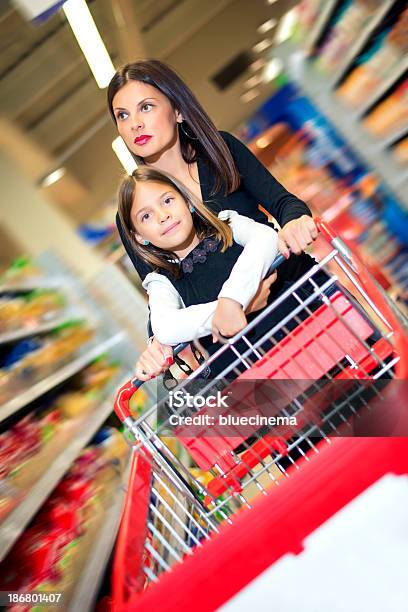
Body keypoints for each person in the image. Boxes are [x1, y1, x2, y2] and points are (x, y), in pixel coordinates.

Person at [107, 59, 318, 380]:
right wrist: (157, 341)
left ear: (177, 110)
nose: (135, 123)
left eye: (146, 107)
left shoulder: (221, 151)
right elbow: (160, 292)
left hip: (295, 301)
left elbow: (284, 203)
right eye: (123, 116)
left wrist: (294, 222)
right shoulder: (133, 215)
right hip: (238, 352)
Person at [118, 166, 282, 373]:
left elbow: (266, 239)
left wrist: (232, 300)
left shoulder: (228, 225)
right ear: (138, 237)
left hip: (294, 332)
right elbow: (166, 327)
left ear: (187, 201)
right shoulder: (161, 281)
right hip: (245, 372)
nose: (163, 216)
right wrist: (223, 313)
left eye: (167, 201)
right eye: (146, 216)